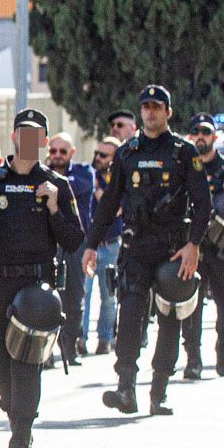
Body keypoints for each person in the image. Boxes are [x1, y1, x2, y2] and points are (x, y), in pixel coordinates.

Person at [0, 110, 84, 448]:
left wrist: (54, 208)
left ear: (45, 142)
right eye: (23, 133)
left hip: (36, 285)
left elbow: (74, 239)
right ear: (14, 137)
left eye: (37, 135)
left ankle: (20, 438)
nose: (30, 140)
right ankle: (18, 418)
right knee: (1, 362)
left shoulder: (56, 184)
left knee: (27, 362)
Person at [81, 85, 211, 416]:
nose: (151, 112)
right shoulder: (127, 153)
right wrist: (91, 244)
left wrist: (194, 245)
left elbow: (202, 203)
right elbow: (110, 203)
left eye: (157, 106)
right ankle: (126, 388)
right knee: (129, 316)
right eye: (146, 107)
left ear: (168, 111)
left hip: (172, 250)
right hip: (136, 247)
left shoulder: (183, 152)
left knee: (170, 318)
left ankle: (160, 391)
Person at [181, 113, 224, 379]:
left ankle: (223, 354)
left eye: (205, 132)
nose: (201, 137)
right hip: (195, 246)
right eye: (196, 132)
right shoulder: (185, 167)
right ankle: (193, 359)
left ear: (214, 137)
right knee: (192, 305)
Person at [46, 132, 96, 364]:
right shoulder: (41, 174)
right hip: (49, 242)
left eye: (62, 152)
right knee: (46, 296)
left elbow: (74, 188)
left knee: (75, 296)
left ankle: (70, 347)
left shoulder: (83, 173)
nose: (57, 156)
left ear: (72, 153)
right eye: (53, 151)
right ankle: (46, 351)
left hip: (75, 243)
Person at [87, 136, 125, 354]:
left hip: (111, 244)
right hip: (89, 244)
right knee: (84, 294)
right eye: (97, 154)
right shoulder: (88, 176)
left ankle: (105, 339)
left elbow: (118, 209)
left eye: (104, 155)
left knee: (109, 296)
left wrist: (100, 193)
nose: (98, 159)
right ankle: (80, 340)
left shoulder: (118, 179)